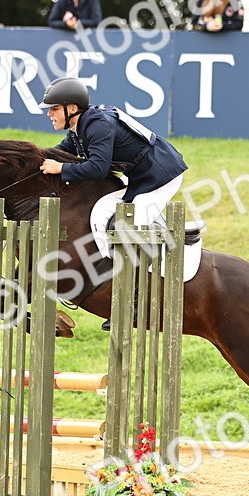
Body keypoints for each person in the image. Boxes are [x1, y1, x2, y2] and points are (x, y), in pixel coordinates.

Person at [38, 77, 187, 328]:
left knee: (131, 227)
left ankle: (137, 301)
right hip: (141, 177)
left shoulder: (97, 124)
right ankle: (114, 275)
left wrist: (61, 169)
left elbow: (97, 168)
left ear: (71, 108)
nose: (49, 114)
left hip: (162, 175)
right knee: (103, 211)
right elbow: (58, 154)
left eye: (53, 108)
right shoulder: (78, 129)